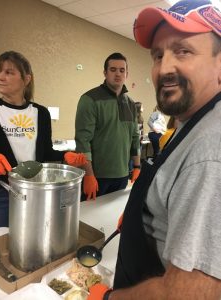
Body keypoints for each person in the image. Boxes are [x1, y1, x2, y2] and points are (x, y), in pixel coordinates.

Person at [87, 0, 221, 299]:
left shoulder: (211, 150)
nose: (164, 68)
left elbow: (190, 292)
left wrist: (109, 298)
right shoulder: (192, 123)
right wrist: (147, 218)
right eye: (158, 55)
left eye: (183, 50)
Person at [0, 51, 87, 228]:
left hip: (35, 190)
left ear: (26, 79)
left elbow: (46, 153)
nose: (0, 77)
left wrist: (66, 156)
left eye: (9, 72)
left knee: (32, 236)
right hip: (1, 193)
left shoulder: (40, 113)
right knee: (2, 243)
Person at [75, 52, 141, 200]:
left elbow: (135, 138)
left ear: (126, 74)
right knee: (88, 220)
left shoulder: (130, 104)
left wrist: (137, 167)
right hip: (97, 177)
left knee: (110, 219)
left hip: (123, 175)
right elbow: (82, 141)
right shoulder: (89, 100)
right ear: (105, 72)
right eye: (113, 69)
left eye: (122, 70)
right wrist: (89, 175)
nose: (118, 74)